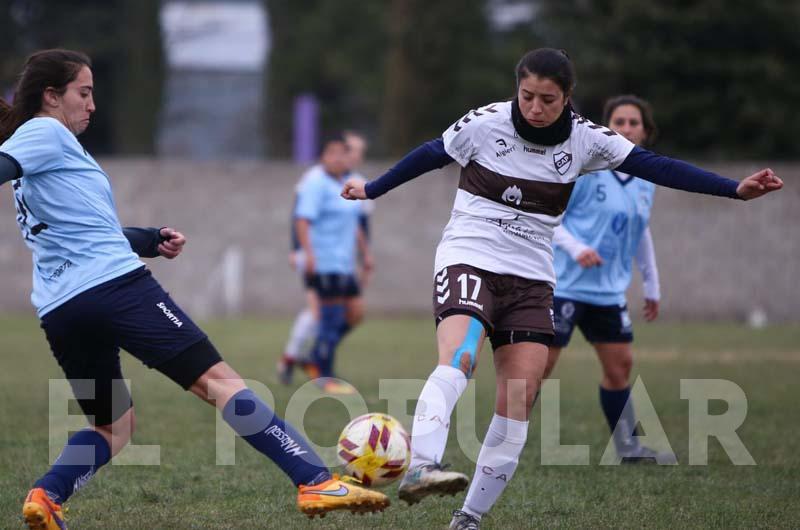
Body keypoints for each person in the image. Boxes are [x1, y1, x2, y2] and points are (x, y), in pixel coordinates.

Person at [341, 48, 782, 529]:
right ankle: (422, 464)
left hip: (532, 277)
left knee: (519, 395)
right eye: (526, 95)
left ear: (567, 97)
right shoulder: (484, 123)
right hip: (470, 256)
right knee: (461, 358)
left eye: (547, 99)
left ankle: (468, 518)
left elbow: (659, 166)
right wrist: (374, 188)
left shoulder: (587, 140)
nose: (534, 107)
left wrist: (733, 190)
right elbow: (430, 153)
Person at [0, 49, 388, 530]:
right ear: (51, 96)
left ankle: (47, 495)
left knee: (112, 425)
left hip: (62, 308)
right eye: (84, 92)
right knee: (222, 384)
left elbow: (87, 230)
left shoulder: (44, 149)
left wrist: (148, 239)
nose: (92, 104)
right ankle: (314, 479)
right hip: (114, 289)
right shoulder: (45, 132)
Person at [544, 94, 673, 462]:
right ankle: (504, 444)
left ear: (646, 132)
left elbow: (640, 231)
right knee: (539, 367)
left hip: (608, 292)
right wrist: (576, 248)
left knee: (620, 367)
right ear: (606, 128)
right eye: (619, 122)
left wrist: (652, 285)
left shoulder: (647, 180)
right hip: (564, 287)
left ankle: (628, 448)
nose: (627, 128)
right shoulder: (586, 169)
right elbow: (550, 217)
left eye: (634, 123)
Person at [277, 131, 374, 387]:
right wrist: (306, 253)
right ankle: (323, 373)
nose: (338, 158)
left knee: (355, 313)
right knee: (326, 318)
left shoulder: (347, 184)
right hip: (323, 261)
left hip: (344, 263)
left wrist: (365, 253)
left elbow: (355, 223)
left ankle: (314, 355)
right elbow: (301, 219)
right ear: (323, 155)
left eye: (342, 153)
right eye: (331, 153)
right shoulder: (315, 182)